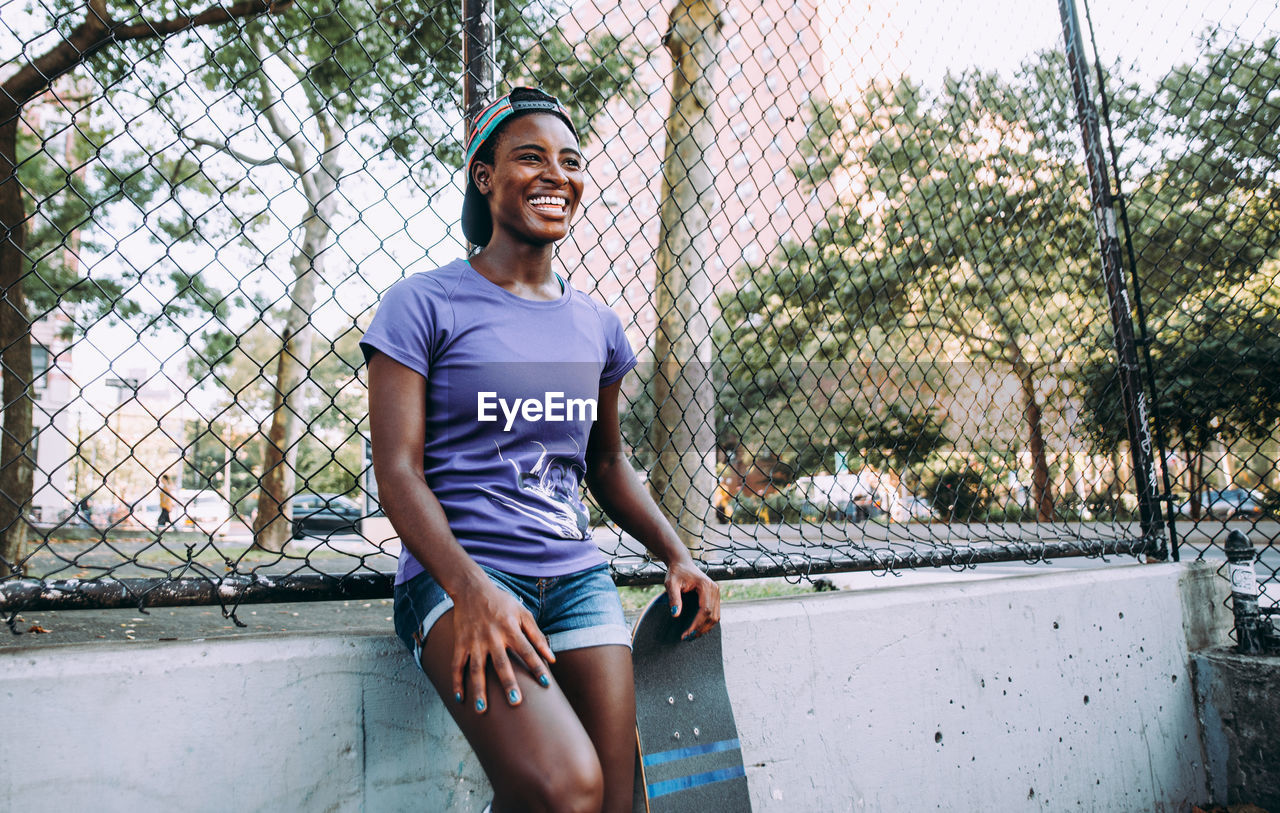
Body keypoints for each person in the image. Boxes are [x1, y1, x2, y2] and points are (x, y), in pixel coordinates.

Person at [362, 87, 720, 813]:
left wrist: (676, 553)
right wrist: (471, 591)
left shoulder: (598, 325)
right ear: (484, 175)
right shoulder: (422, 304)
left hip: (576, 577)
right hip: (462, 574)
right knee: (567, 788)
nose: (556, 173)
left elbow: (608, 464)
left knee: (620, 803)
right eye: (530, 157)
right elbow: (397, 471)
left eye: (570, 160)